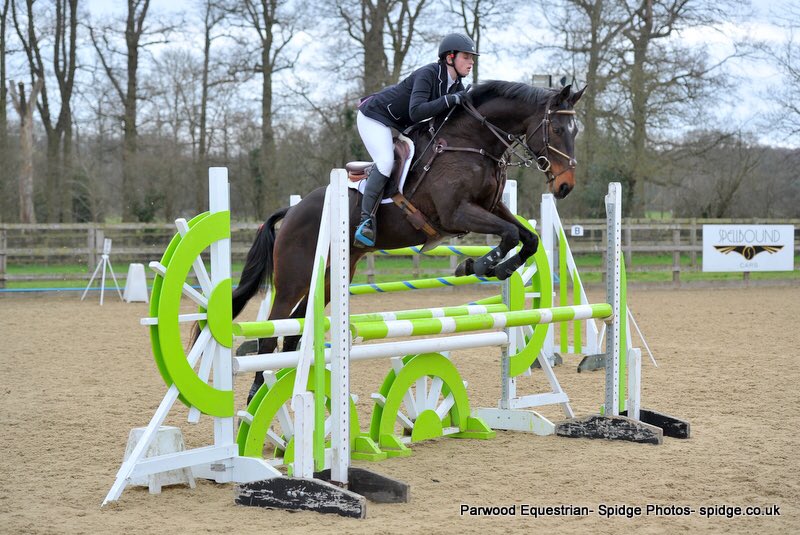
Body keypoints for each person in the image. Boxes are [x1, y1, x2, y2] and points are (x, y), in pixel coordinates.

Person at [353, 33, 479, 247]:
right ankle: (366, 221)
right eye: (466, 57)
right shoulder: (428, 74)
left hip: (402, 124)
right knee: (385, 162)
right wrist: (449, 100)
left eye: (472, 58)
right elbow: (416, 111)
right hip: (375, 117)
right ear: (450, 58)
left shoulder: (456, 85)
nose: (471, 62)